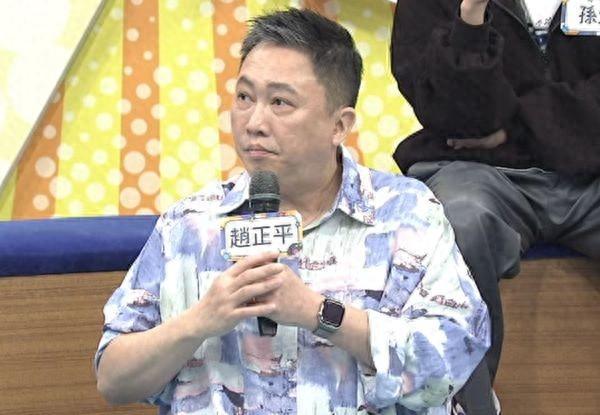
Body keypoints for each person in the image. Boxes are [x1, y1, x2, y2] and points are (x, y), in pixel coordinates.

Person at [95, 8, 490, 414]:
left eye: (280, 102)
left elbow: (452, 361)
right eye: (244, 97)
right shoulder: (190, 225)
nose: (254, 122)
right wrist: (199, 322)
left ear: (339, 125)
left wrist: (319, 313)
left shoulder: (407, 214)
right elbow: (112, 379)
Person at [391, 0, 600, 413]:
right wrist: (470, 17)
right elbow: (452, 116)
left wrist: (519, 124)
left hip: (591, 168)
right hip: (480, 171)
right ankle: (466, 405)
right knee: (455, 221)